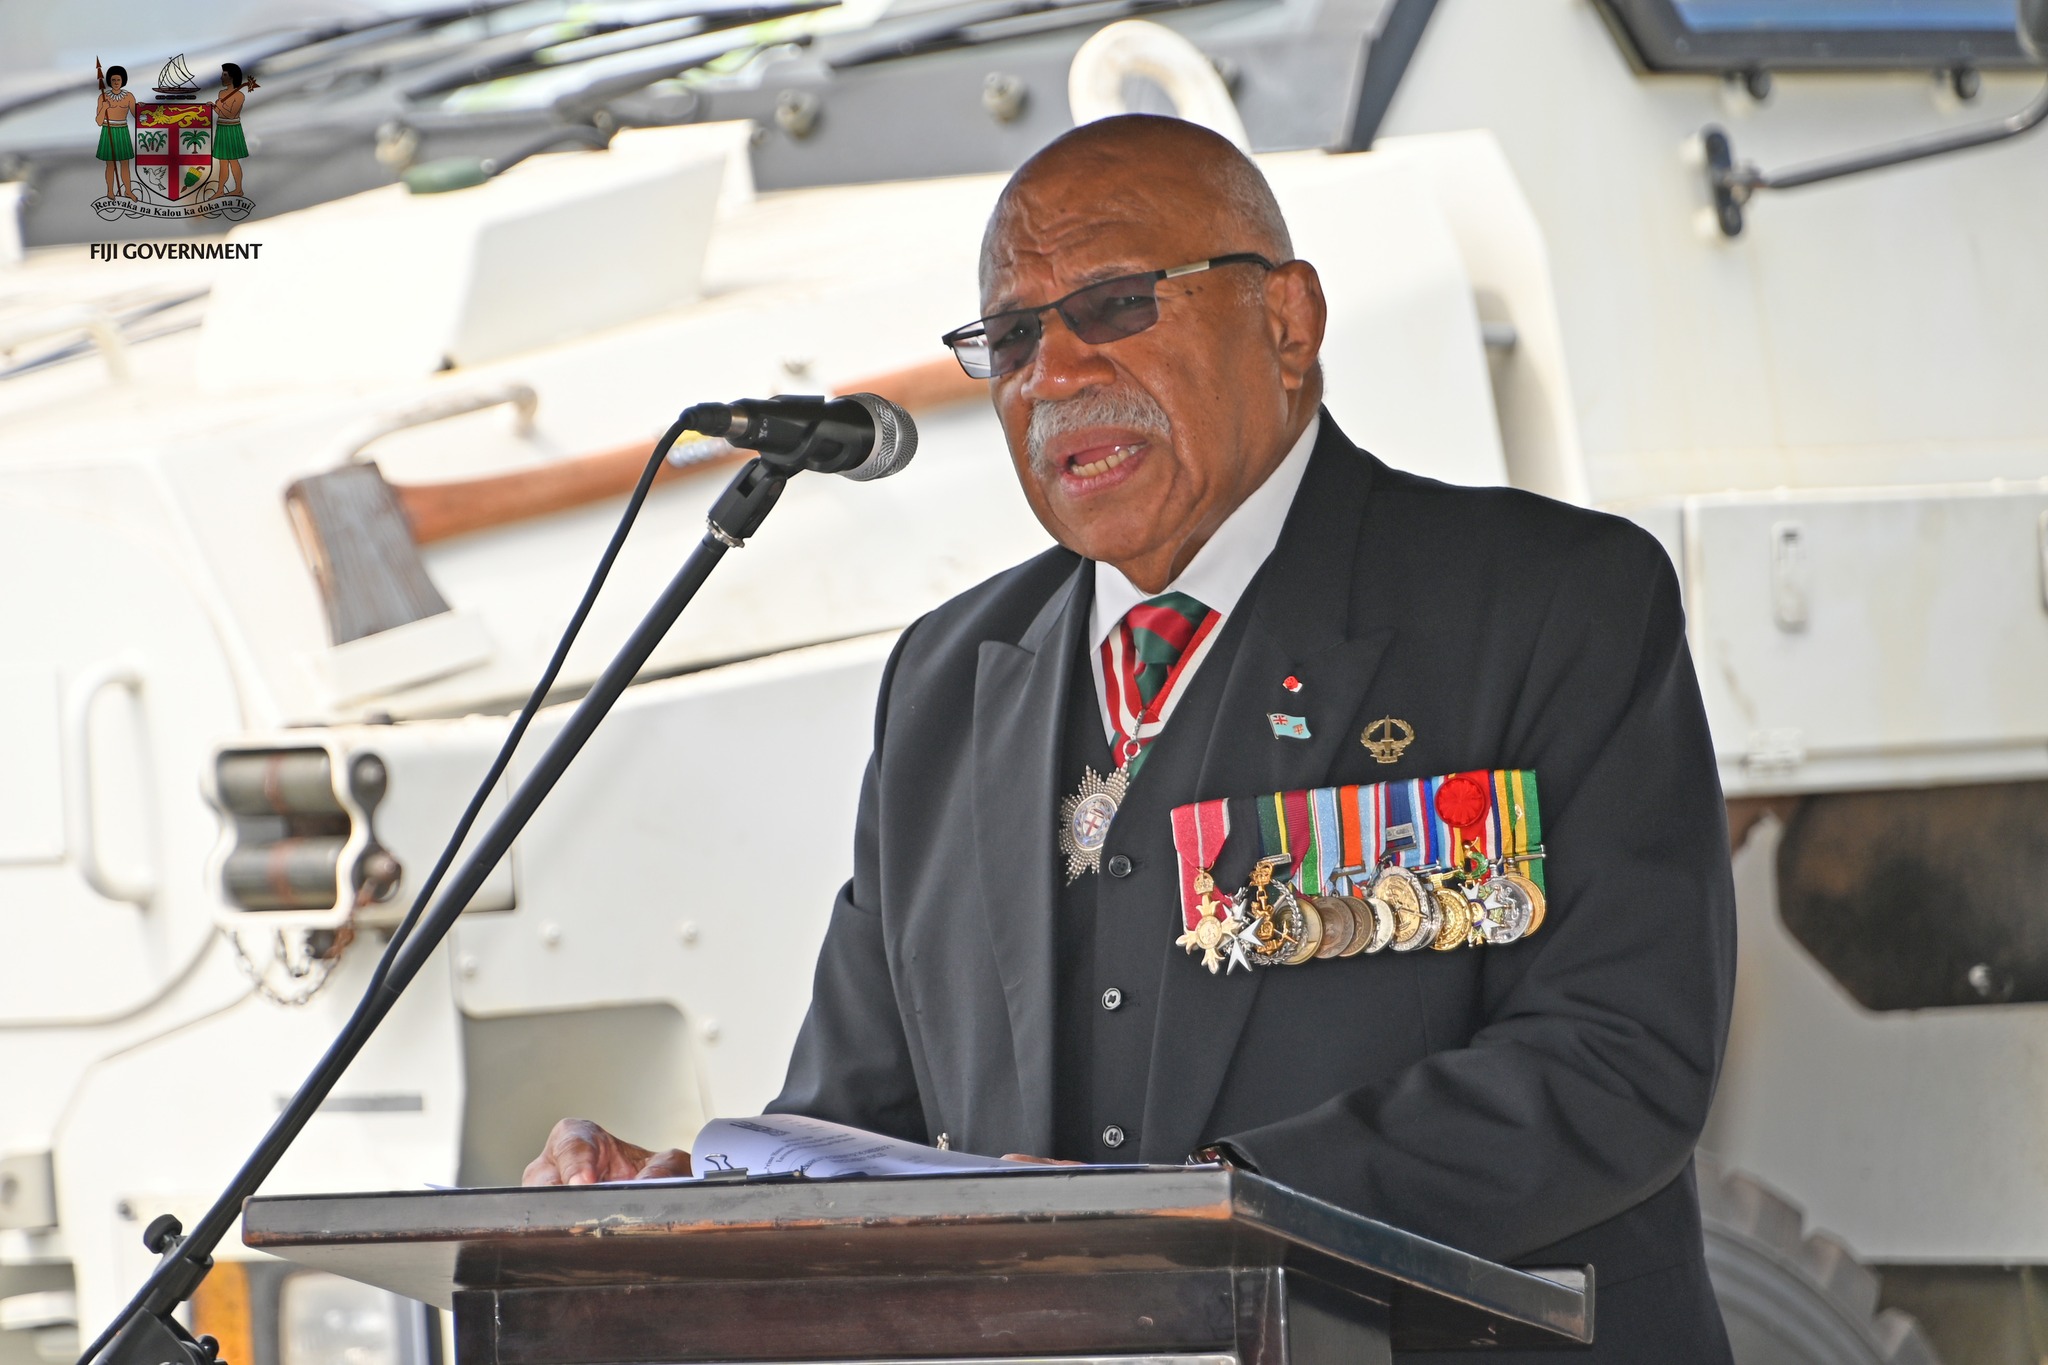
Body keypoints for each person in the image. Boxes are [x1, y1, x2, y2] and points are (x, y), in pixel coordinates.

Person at [524, 115, 1738, 1361]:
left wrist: (1210, 1214)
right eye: (1008, 338)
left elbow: (1614, 1062)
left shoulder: (1541, 602)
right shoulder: (945, 681)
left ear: (1286, 322)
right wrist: (688, 1211)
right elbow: (849, 1127)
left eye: (1109, 305)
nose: (1048, 376)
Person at [210, 64, 253, 199]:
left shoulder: (239, 96)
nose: (222, 78)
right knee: (222, 162)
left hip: (232, 127)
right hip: (222, 127)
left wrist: (220, 106)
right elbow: (220, 112)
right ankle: (220, 190)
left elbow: (231, 113)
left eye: (225, 75)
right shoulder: (221, 93)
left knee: (233, 161)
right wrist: (214, 107)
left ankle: (238, 189)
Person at [94, 63, 137, 200]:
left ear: (123, 80)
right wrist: (103, 109)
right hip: (108, 131)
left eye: (118, 80)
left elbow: (136, 115)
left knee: (125, 163)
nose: (116, 83)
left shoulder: (129, 96)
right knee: (110, 164)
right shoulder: (103, 98)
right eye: (113, 80)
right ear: (109, 81)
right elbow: (99, 121)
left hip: (122, 130)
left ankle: (128, 191)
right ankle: (110, 191)